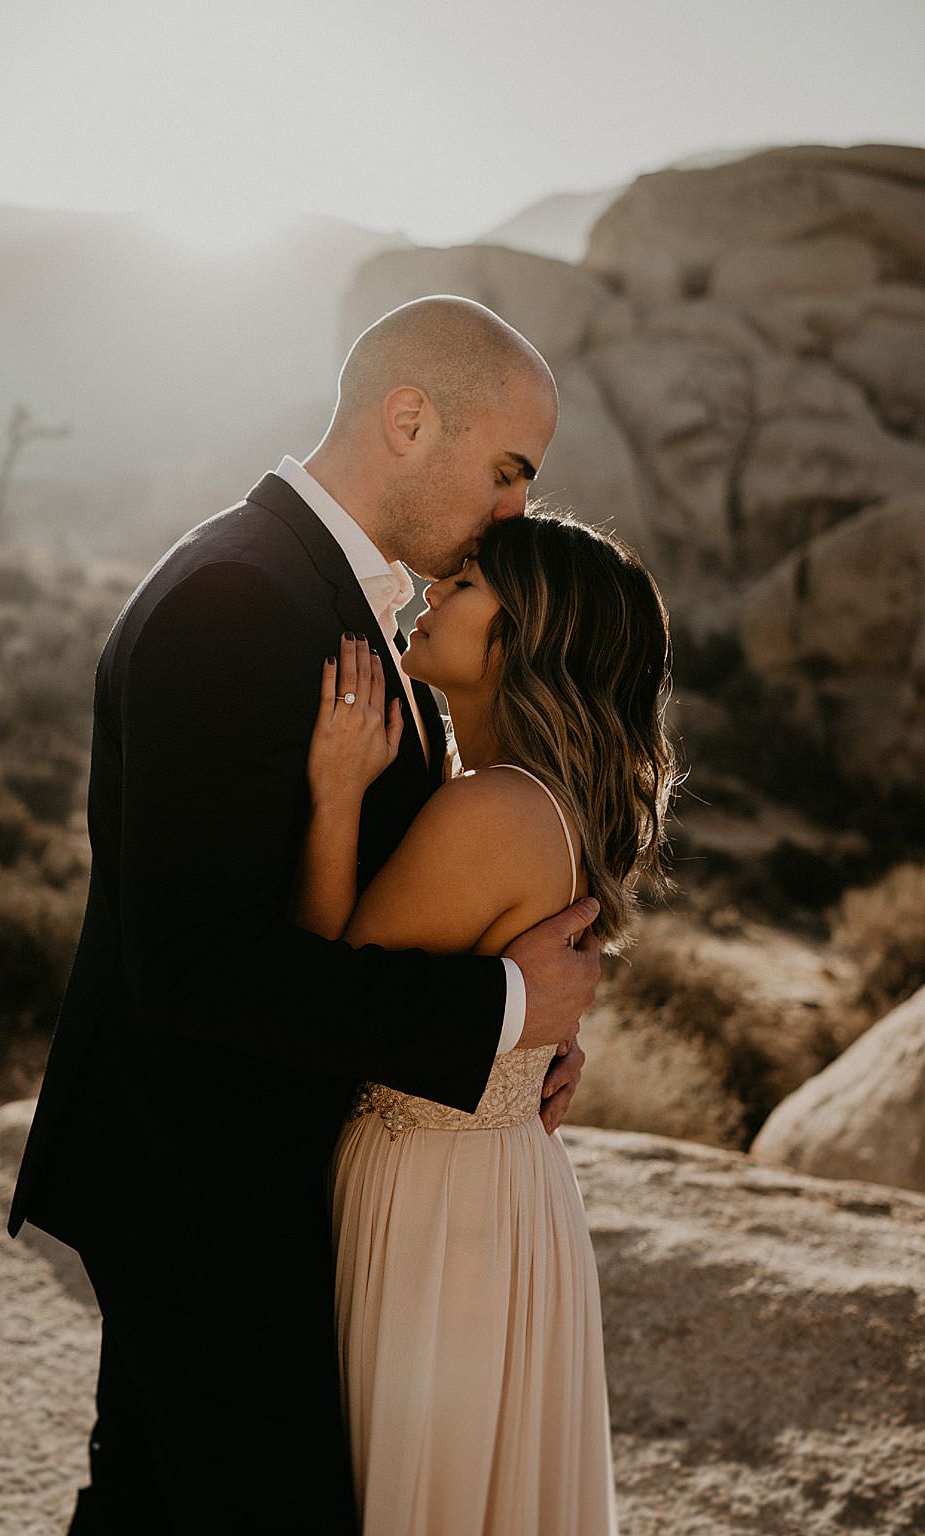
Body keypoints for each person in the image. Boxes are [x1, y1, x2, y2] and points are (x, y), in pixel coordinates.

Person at [7, 297, 604, 1532]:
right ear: (406, 419)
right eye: (505, 471)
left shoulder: (311, 585)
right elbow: (192, 964)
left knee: (149, 1504)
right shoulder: (238, 597)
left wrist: (511, 1050)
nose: (512, 512)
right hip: (205, 1181)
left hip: (246, 1163)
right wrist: (492, 1010)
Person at [302, 510, 676, 1533]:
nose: (432, 590)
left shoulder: (494, 809)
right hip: (487, 1184)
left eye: (464, 585)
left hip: (437, 1201)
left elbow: (323, 991)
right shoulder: (522, 798)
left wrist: (333, 796)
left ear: (523, 637)